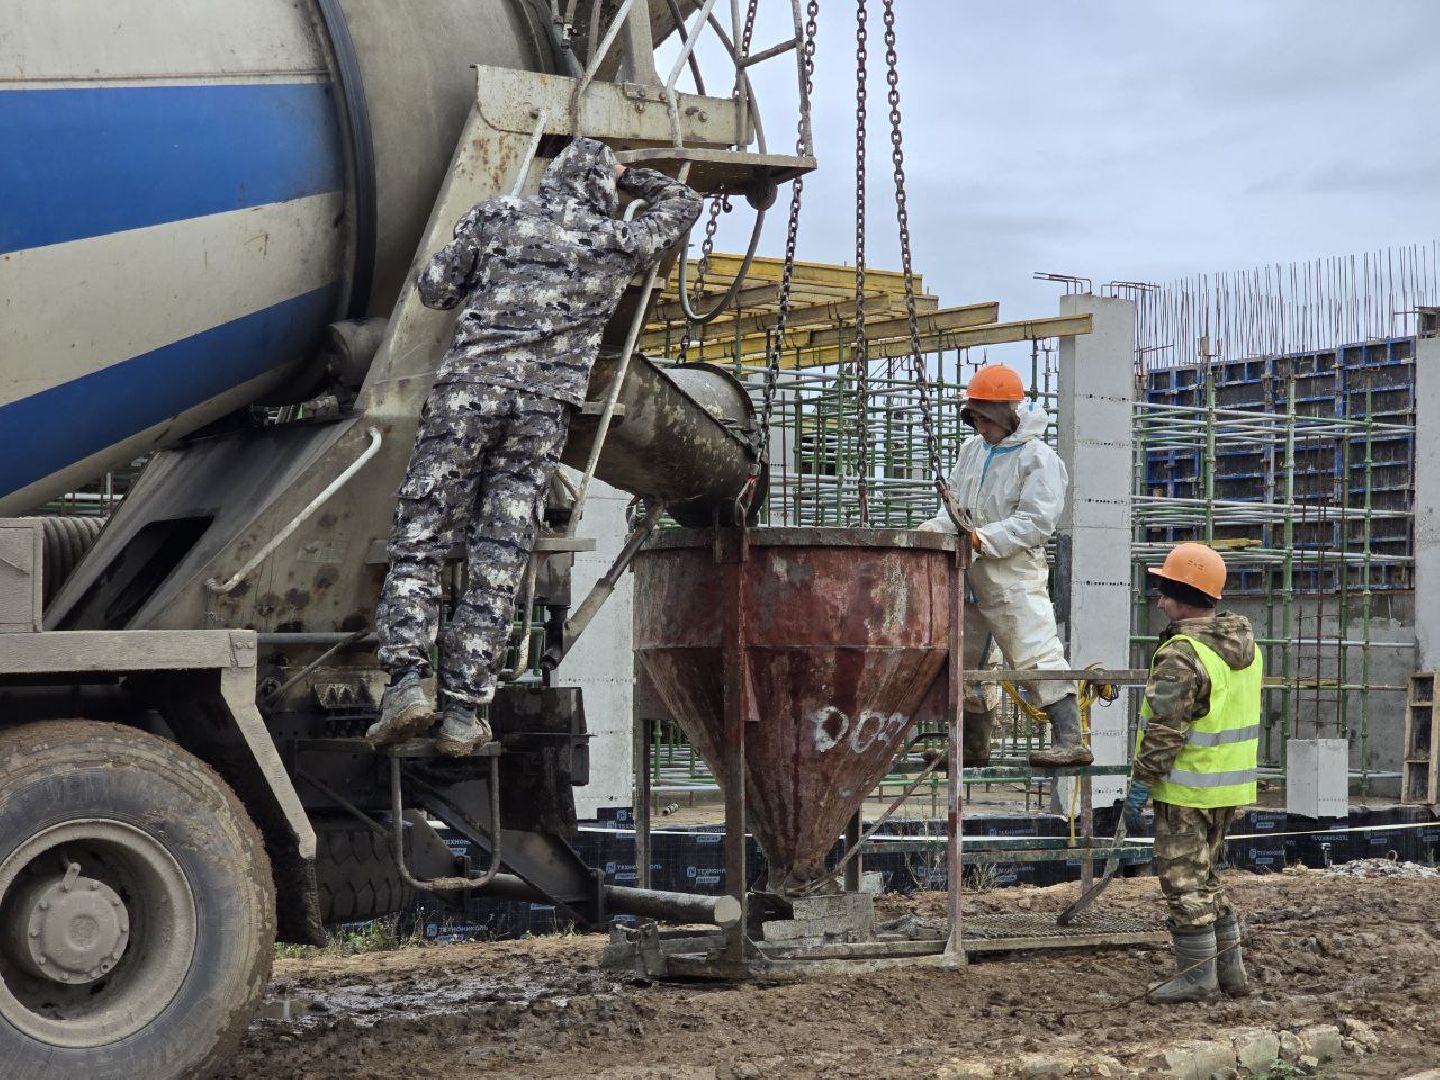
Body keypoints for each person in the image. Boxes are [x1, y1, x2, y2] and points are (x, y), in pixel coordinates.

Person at [367, 137, 702, 756]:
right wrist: (634, 182)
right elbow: (683, 202)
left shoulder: (498, 216)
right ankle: (465, 715)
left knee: (421, 538)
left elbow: (436, 289)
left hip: (468, 395)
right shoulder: (617, 242)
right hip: (542, 413)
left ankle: (408, 685)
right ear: (603, 185)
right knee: (499, 555)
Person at [916, 363, 1088, 768]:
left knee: (1035, 650)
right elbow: (957, 508)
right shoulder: (972, 451)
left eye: (985, 419)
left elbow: (1035, 523)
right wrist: (931, 533)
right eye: (974, 418)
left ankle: (1070, 738)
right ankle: (971, 748)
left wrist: (983, 539)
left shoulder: (1038, 459)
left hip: (1012, 574)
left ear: (1007, 413)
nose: (980, 428)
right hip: (970, 569)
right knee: (967, 659)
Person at [1123, 541, 1261, 1004]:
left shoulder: (1182, 654)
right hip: (1229, 788)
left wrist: (1141, 783)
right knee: (1206, 879)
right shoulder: (1244, 648)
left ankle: (1197, 978)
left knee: (1183, 884)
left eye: (1164, 591)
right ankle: (1231, 973)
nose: (1159, 601)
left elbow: (1165, 730)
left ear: (1184, 593)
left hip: (1187, 791)